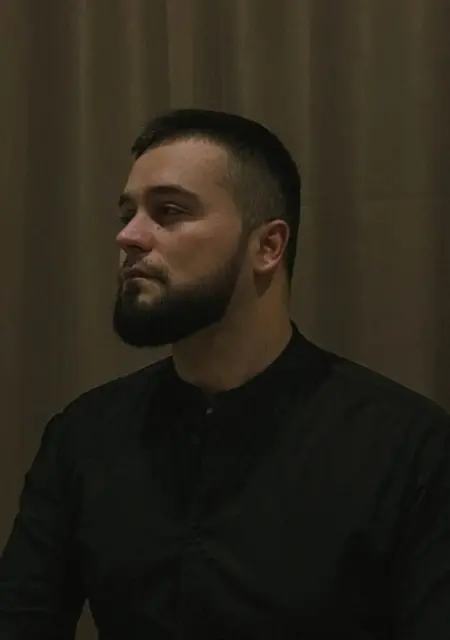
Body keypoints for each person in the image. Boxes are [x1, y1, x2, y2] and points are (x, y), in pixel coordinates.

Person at [1, 108, 449, 639]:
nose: (129, 236)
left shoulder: (407, 449)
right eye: (127, 213)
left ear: (268, 246)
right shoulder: (84, 436)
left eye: (169, 211)